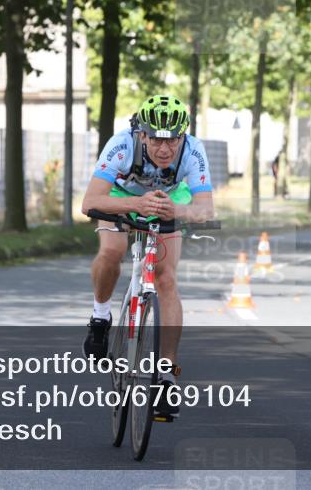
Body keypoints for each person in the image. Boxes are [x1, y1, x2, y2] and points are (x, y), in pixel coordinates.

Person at [79, 95, 215, 419]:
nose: (165, 148)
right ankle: (100, 317)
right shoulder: (121, 145)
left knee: (166, 278)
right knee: (112, 251)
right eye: (156, 139)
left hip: (168, 200)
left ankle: (166, 377)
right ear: (141, 134)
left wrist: (178, 210)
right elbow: (89, 202)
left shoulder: (194, 151)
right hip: (121, 198)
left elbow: (206, 208)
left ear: (183, 136)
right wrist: (135, 205)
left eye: (172, 140)